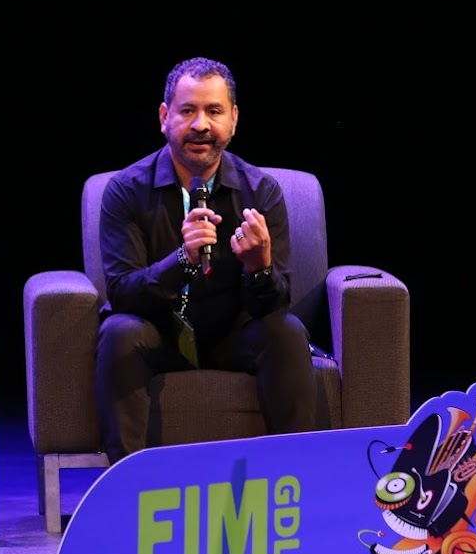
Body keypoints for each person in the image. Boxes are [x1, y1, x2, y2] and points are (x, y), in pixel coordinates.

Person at [95, 57, 316, 463]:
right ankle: (126, 484)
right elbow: (122, 292)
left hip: (232, 334)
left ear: (233, 120)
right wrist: (182, 259)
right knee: (119, 332)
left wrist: (260, 269)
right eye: (187, 111)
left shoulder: (260, 192)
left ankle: (293, 478)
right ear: (165, 117)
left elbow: (274, 305)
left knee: (286, 332)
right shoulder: (126, 190)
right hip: (160, 332)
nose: (201, 125)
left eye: (214, 111)